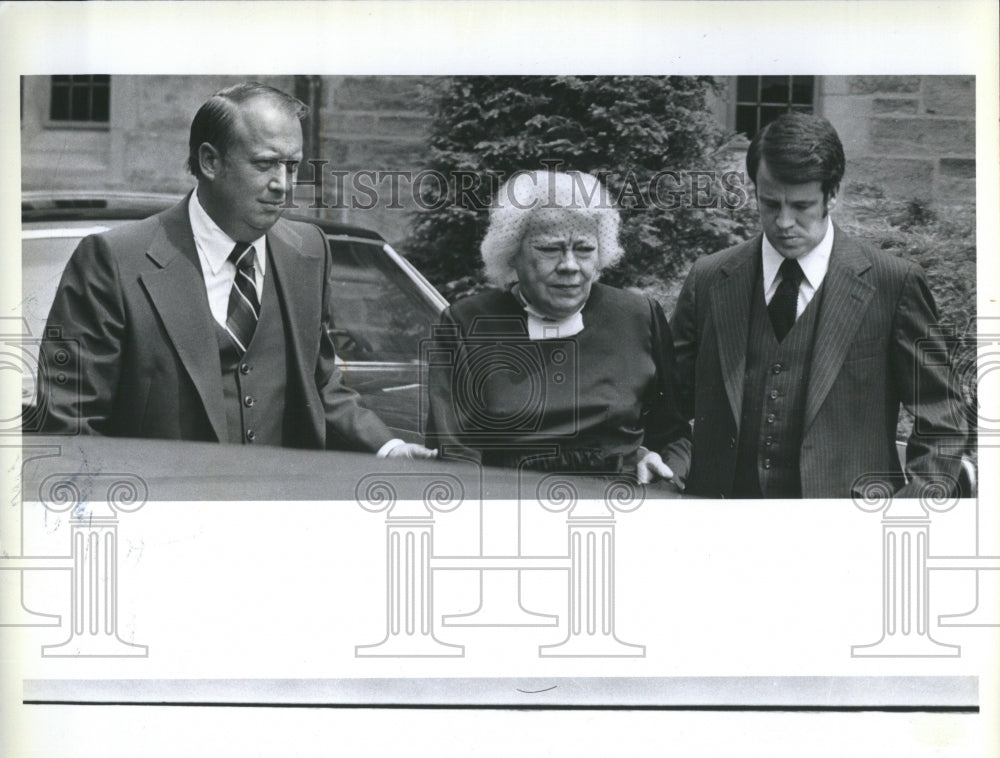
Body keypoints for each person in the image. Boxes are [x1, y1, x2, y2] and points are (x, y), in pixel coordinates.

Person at [37, 82, 434, 459]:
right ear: (210, 161)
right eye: (265, 164)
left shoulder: (309, 252)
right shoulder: (113, 260)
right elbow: (71, 424)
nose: (283, 185)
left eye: (292, 166)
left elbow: (320, 385)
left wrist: (389, 449)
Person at [670, 112, 967, 498]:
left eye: (801, 205)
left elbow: (941, 415)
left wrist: (909, 510)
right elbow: (666, 403)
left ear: (832, 194)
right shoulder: (710, 278)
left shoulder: (893, 283)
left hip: (851, 533)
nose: (783, 222)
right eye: (769, 203)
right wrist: (669, 462)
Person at [425, 170, 690, 484]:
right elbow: (457, 456)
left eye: (585, 249)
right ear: (512, 254)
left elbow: (673, 435)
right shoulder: (466, 324)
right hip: (512, 510)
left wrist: (664, 470)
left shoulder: (637, 316)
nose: (569, 265)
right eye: (550, 249)